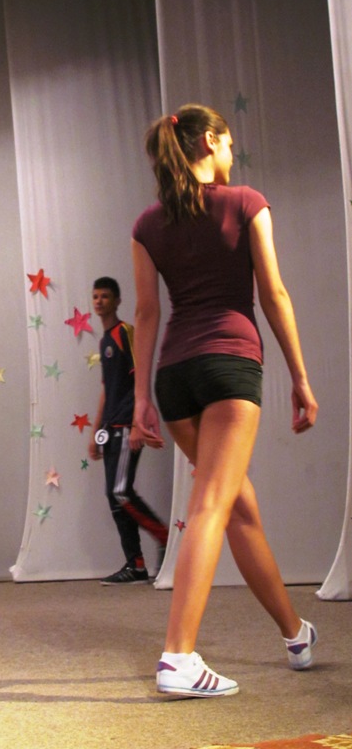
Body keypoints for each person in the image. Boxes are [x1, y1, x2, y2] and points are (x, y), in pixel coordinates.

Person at [131, 104, 318, 697]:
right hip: (230, 366)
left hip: (175, 377)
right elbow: (274, 293)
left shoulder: (148, 224)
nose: (233, 154)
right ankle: (178, 657)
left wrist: (140, 399)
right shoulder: (245, 202)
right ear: (210, 141)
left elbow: (146, 313)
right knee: (212, 503)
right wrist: (300, 377)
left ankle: (295, 634)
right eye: (229, 144)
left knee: (238, 506)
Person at [89, 276, 169, 585]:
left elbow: (140, 377)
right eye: (96, 296)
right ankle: (135, 565)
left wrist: (138, 423)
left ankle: (165, 536)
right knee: (114, 497)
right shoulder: (104, 340)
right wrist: (95, 432)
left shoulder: (125, 333)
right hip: (111, 427)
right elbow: (106, 388)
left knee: (120, 491)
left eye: (105, 296)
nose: (99, 301)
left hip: (126, 425)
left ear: (117, 301)